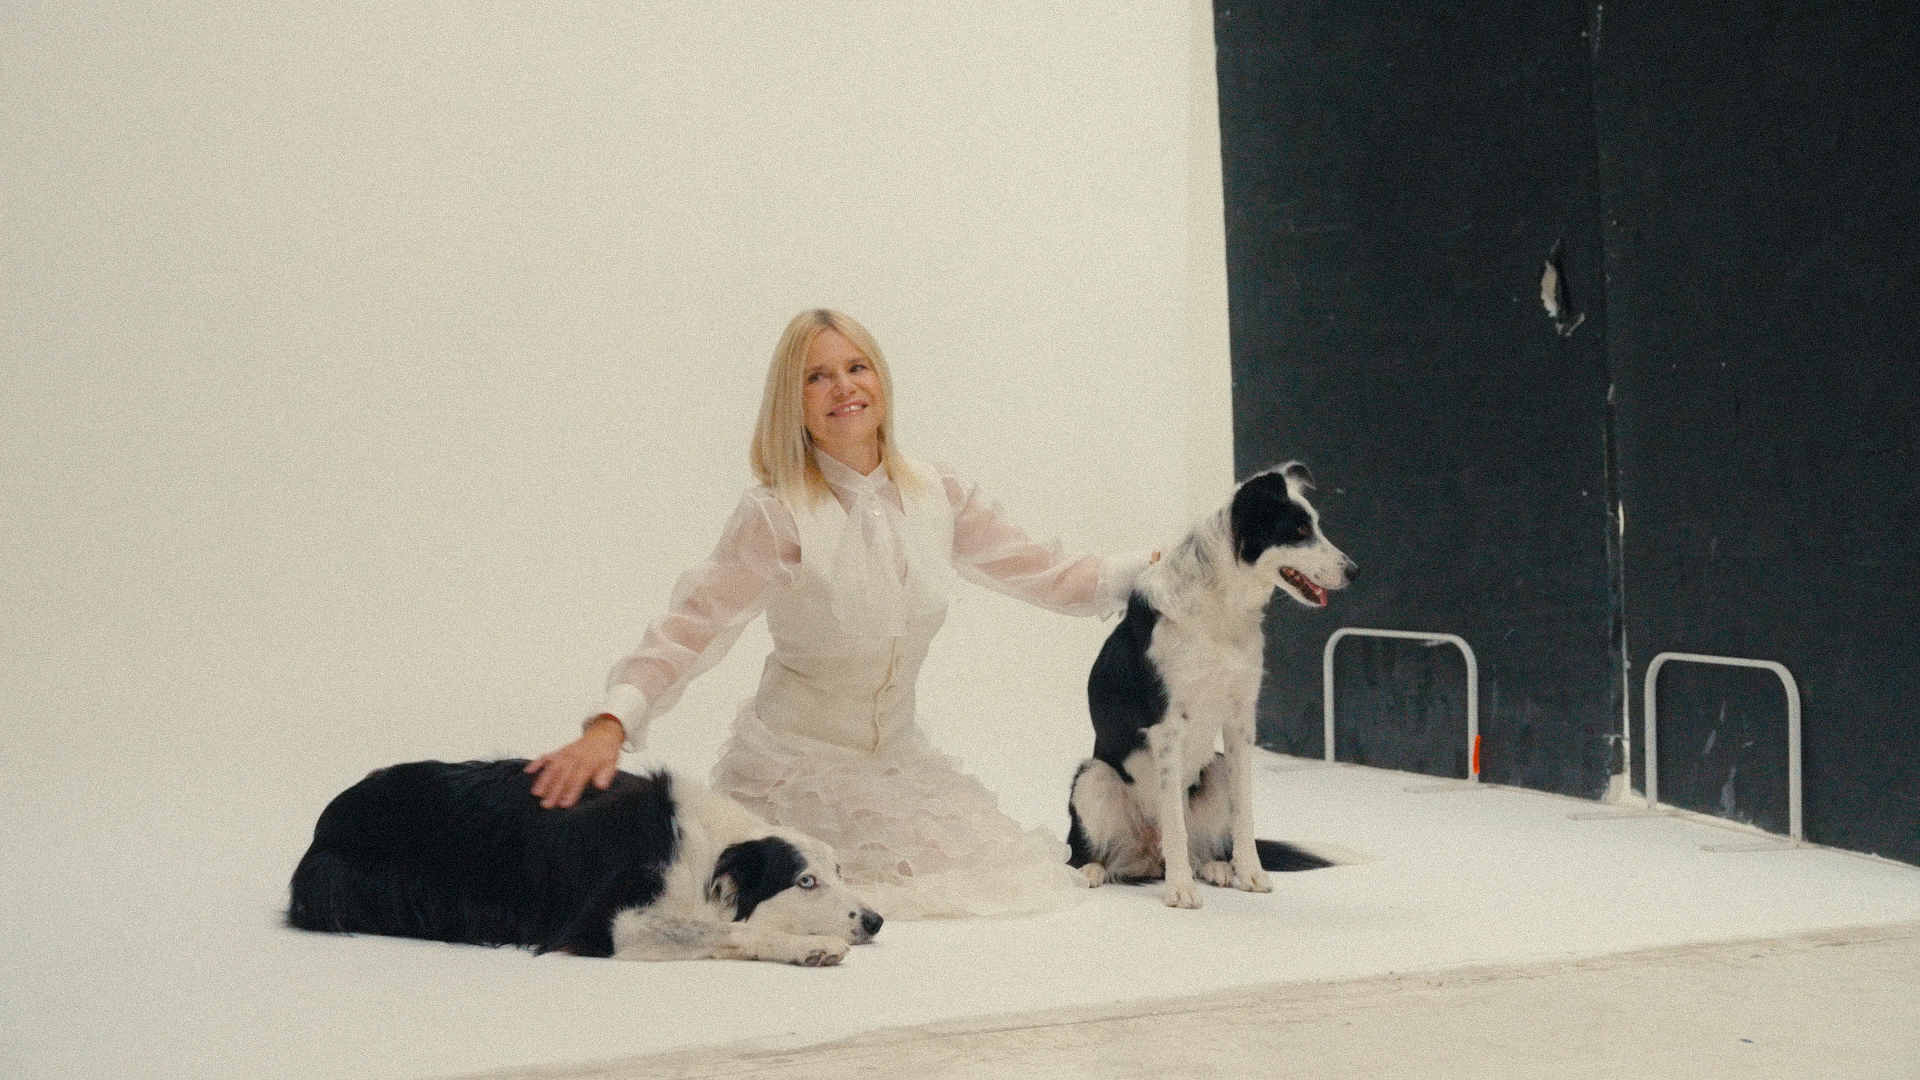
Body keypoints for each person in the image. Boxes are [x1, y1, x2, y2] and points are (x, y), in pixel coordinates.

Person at [525, 309, 1156, 918]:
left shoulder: (937, 494)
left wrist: (1157, 569)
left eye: (857, 367)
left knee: (997, 883)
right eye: (817, 376)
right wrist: (611, 723)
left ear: (881, 379)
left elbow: (1047, 573)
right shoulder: (776, 514)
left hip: (900, 767)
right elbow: (691, 629)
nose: (844, 387)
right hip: (796, 771)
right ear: (792, 401)